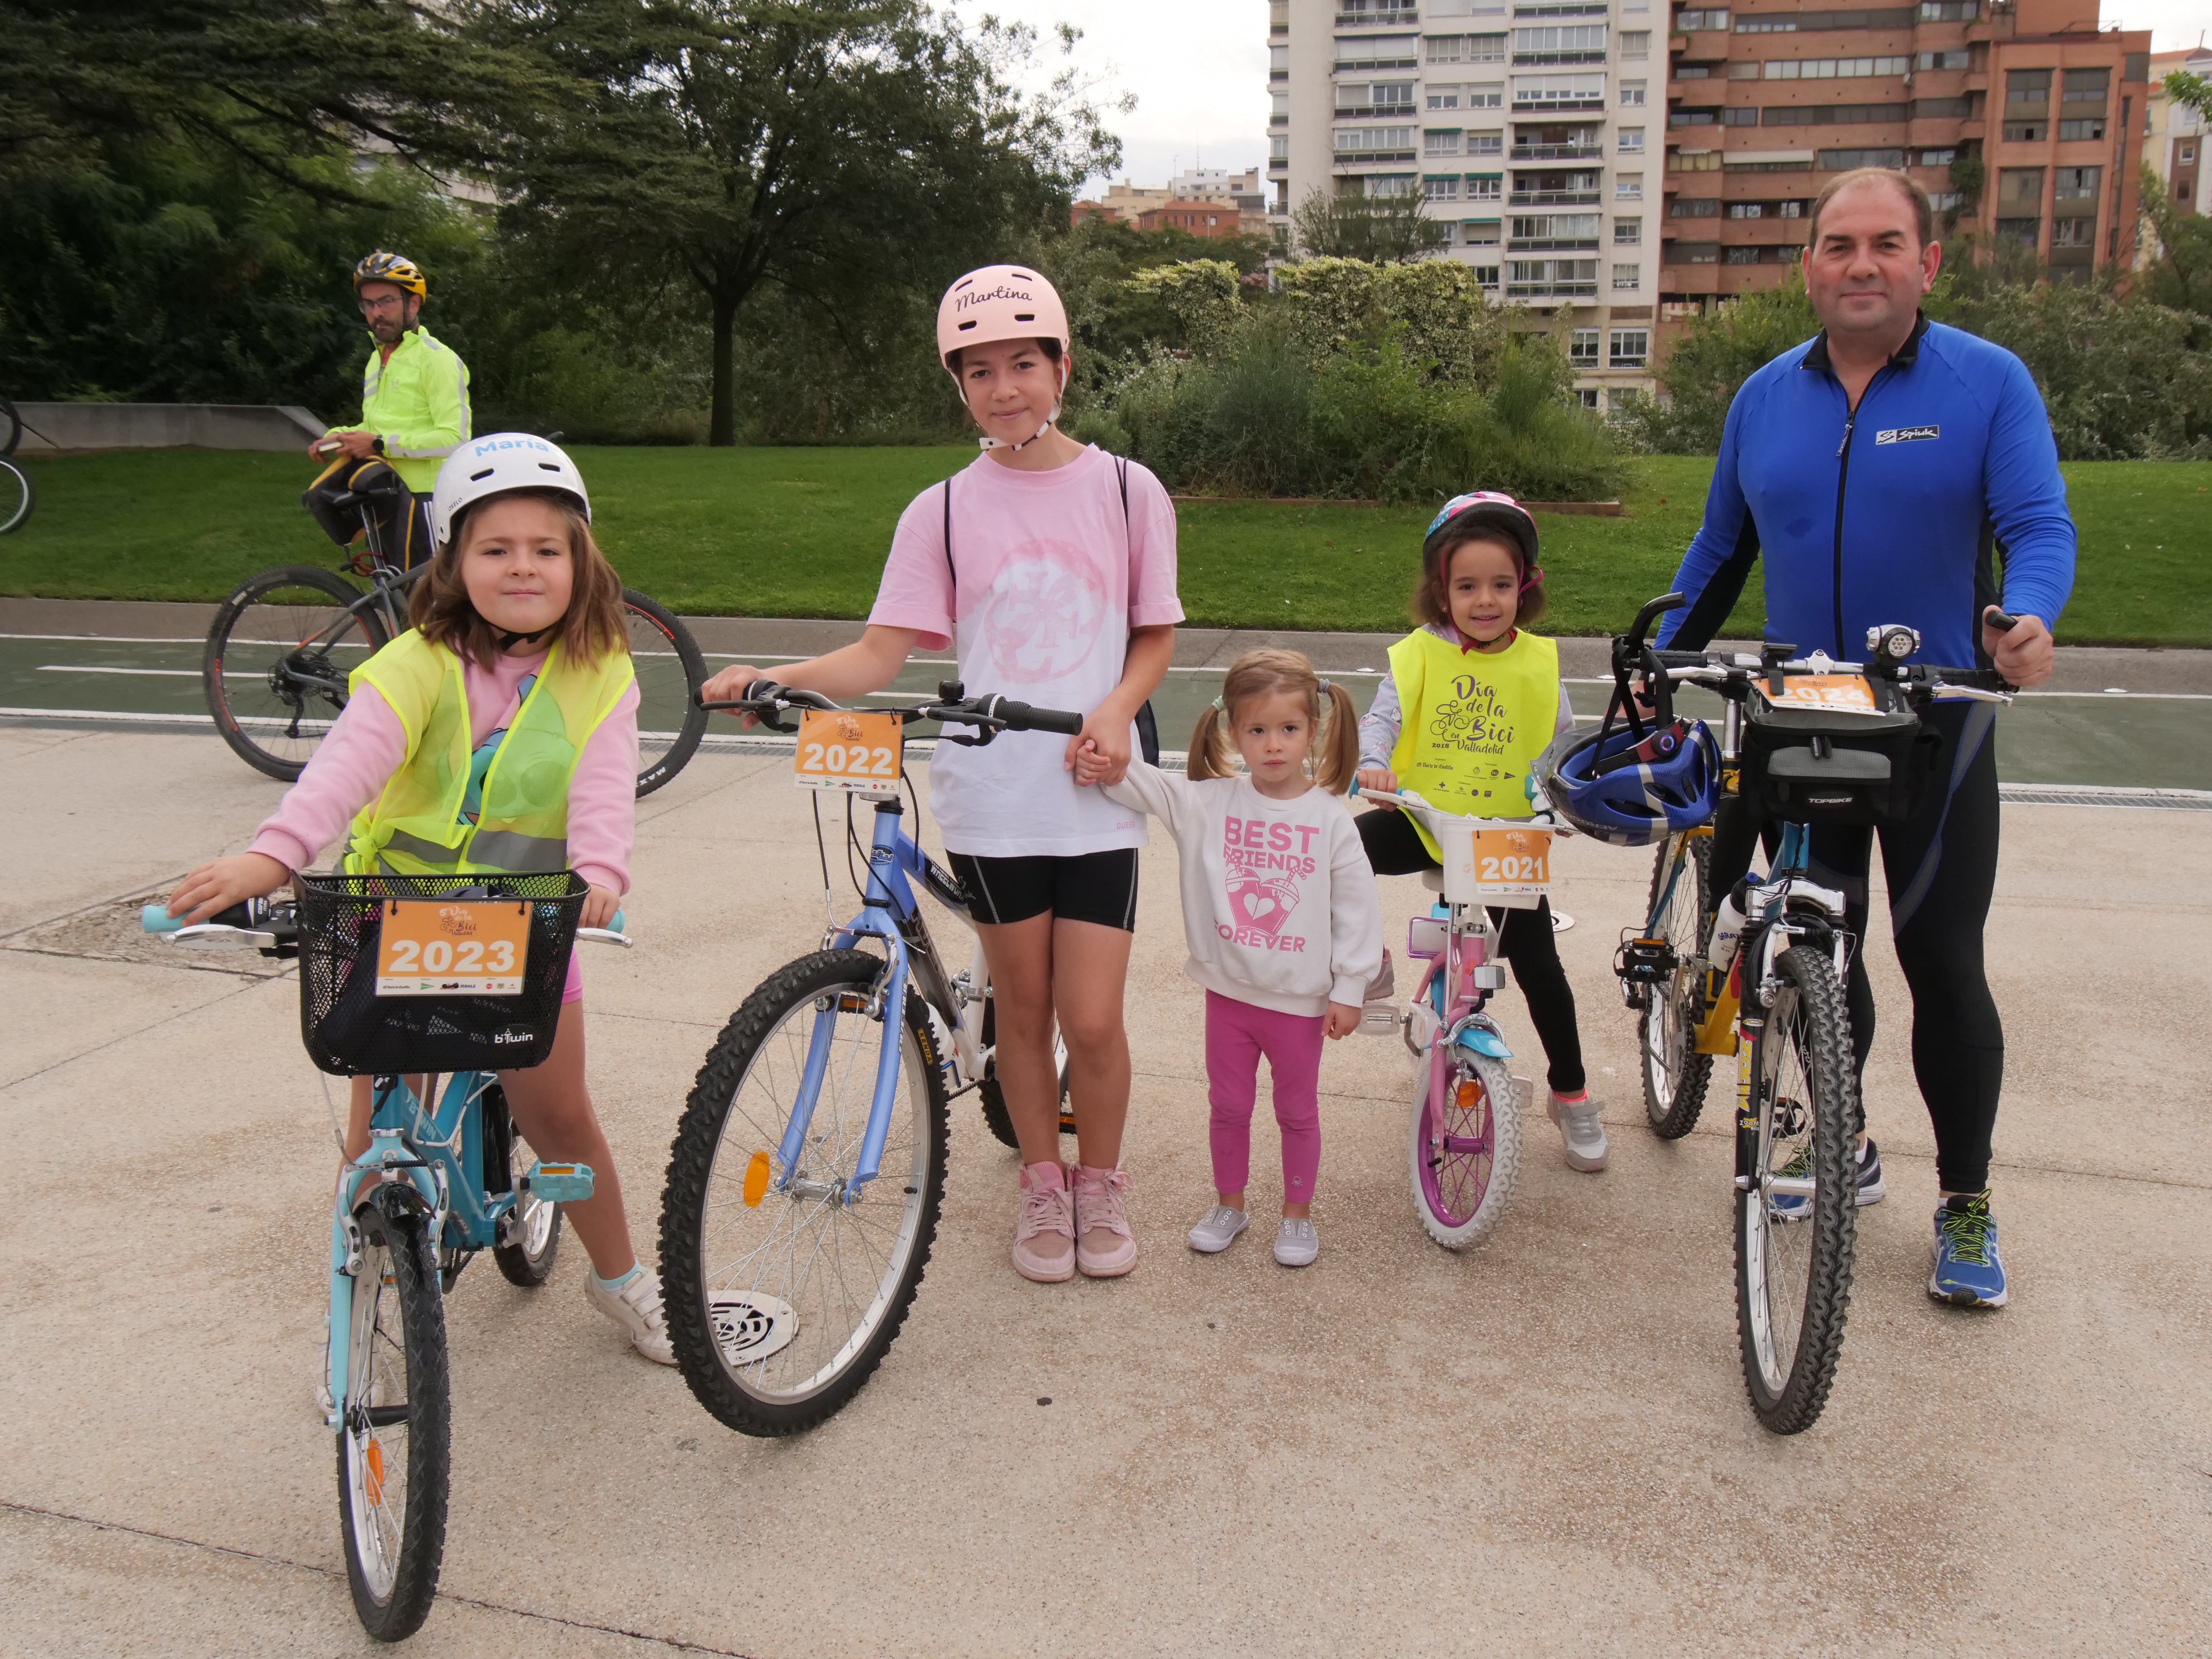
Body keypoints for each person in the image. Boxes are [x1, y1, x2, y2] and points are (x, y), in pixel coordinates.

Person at [697, 264, 1182, 1284]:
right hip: (994, 797)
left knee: (1092, 1017)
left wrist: (1116, 710)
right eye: (979, 370)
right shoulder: (943, 511)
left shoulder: (1131, 490)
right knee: (1024, 1006)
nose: (1004, 387)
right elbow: (878, 658)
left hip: (1096, 791)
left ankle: (1100, 1181)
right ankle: (1041, 1184)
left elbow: (1151, 635)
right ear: (956, 384)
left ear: (1061, 365)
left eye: (1022, 363)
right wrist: (771, 676)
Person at [1655, 167, 2076, 1310]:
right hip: (1805, 721)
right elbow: (1721, 549)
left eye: (1886, 243)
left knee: (1941, 963)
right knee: (1819, 951)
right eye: (1839, 246)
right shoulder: (1764, 396)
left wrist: (2029, 618)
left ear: (1926, 263)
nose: (1861, 264)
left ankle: (1969, 1202)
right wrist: (1659, 655)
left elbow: (2036, 523)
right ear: (1810, 268)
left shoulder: (1986, 382)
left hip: (1938, 722)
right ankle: (1842, 1138)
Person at [166, 434, 674, 1365]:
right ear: (454, 560)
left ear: (580, 562)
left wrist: (600, 876)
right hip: (395, 919)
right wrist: (273, 858)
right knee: (372, 1140)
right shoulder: (416, 663)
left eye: (546, 549)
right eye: (495, 549)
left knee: (561, 1120)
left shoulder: (602, 670)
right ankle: (355, 1333)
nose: (522, 566)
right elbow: (343, 770)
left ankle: (622, 1282)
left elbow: (603, 790)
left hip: (524, 924)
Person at [1078, 650, 1383, 1267]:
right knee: (1230, 1106)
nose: (1274, 745)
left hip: (1300, 1003)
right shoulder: (1207, 804)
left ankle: (1297, 1215)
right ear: (1233, 731)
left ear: (1314, 731)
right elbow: (1137, 781)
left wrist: (1351, 988)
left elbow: (1358, 912)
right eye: (1258, 730)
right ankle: (1230, 1205)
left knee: (1297, 1111)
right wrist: (1102, 757)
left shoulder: (1330, 820)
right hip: (1230, 997)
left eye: (1289, 730)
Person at [1352, 492, 1604, 1173]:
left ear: (1526, 587)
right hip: (1426, 822)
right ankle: (1364, 962)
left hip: (1504, 838)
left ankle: (1571, 1092)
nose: (1485, 600)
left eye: (1501, 584)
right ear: (1442, 590)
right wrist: (1374, 763)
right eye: (1467, 586)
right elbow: (1382, 721)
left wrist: (1567, 802)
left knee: (1539, 965)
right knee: (1334, 854)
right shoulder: (1418, 656)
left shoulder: (1539, 664)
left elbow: (1562, 749)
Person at [306, 250, 473, 569]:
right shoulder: (377, 359)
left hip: (424, 499)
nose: (376, 313)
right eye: (368, 305)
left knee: (427, 605)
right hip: (383, 494)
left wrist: (380, 444)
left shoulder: (437, 360)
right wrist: (337, 437)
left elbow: (456, 439)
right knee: (395, 601)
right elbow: (375, 424)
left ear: (413, 303)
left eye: (386, 301)